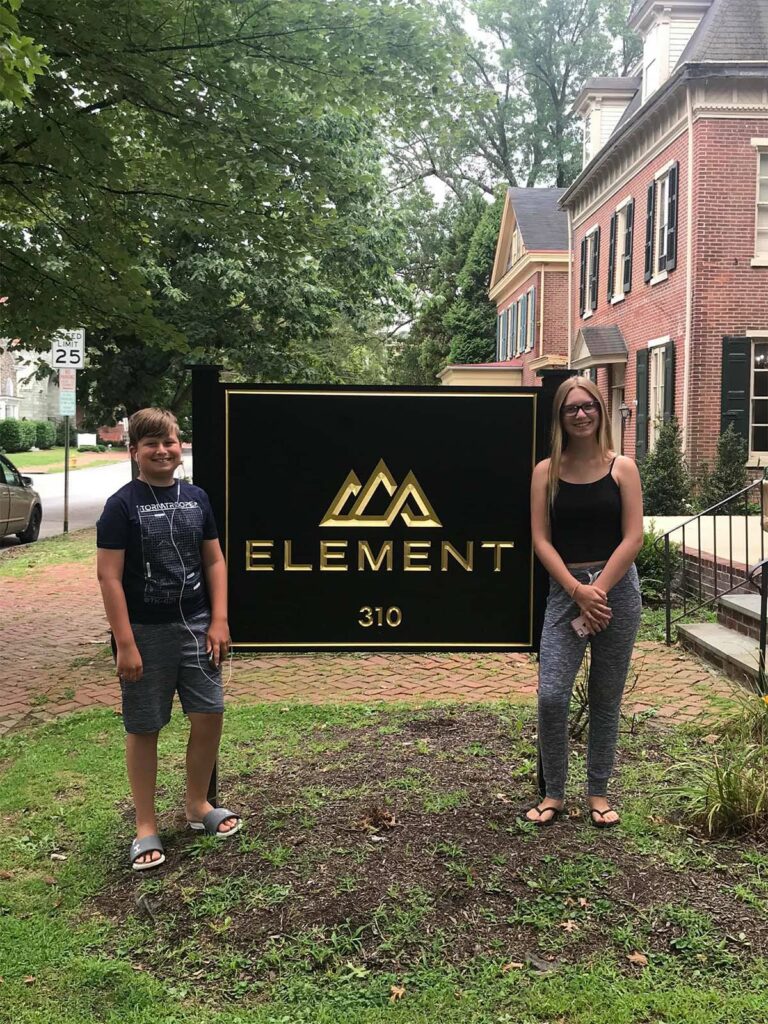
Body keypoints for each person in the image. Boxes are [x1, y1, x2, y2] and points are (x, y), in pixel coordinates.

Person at [97, 408, 241, 870]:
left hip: (198, 629)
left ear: (181, 446)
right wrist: (125, 642)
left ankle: (197, 805)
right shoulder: (122, 505)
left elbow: (215, 562)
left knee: (209, 714)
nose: (162, 450)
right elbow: (109, 576)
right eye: (150, 444)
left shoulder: (197, 498)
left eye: (170, 442)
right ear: (133, 451)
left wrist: (218, 619)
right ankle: (145, 825)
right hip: (145, 633)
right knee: (144, 726)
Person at [526, 376, 643, 828]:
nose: (580, 414)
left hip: (617, 593)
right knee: (552, 696)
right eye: (571, 408)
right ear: (560, 417)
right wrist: (578, 591)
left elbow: (633, 536)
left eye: (588, 406)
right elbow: (540, 540)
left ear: (600, 411)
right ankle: (554, 792)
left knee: (605, 697)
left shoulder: (623, 469)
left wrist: (599, 591)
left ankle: (598, 792)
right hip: (565, 591)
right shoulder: (546, 472)